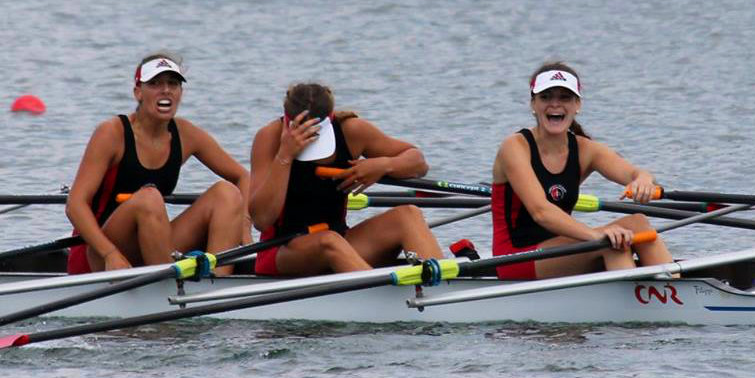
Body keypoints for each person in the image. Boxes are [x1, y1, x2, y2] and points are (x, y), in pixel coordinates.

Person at [64, 53, 251, 274]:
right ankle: (170, 288)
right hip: (99, 253)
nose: (166, 90)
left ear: (181, 93)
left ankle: (216, 289)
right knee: (149, 198)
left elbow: (243, 177)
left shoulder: (186, 134)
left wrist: (245, 225)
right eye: (155, 83)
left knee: (227, 193)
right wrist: (110, 254)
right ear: (138, 93)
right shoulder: (112, 133)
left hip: (152, 247)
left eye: (173, 83)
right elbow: (75, 205)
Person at [489, 62, 674, 279]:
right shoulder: (514, 147)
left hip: (560, 250)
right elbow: (541, 212)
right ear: (533, 104)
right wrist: (595, 235)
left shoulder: (585, 150)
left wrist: (643, 180)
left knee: (638, 223)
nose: (555, 104)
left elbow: (635, 173)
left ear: (578, 105)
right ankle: (650, 302)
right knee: (610, 242)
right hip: (515, 257)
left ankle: (671, 289)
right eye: (546, 97)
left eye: (565, 97)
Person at [246, 82, 443, 276]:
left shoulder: (351, 130)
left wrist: (383, 165)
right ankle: (373, 297)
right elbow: (261, 220)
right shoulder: (269, 138)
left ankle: (445, 288)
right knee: (329, 241)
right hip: (282, 251)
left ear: (329, 119)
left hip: (341, 241)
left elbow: (418, 162)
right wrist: (285, 155)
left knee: (408, 214)